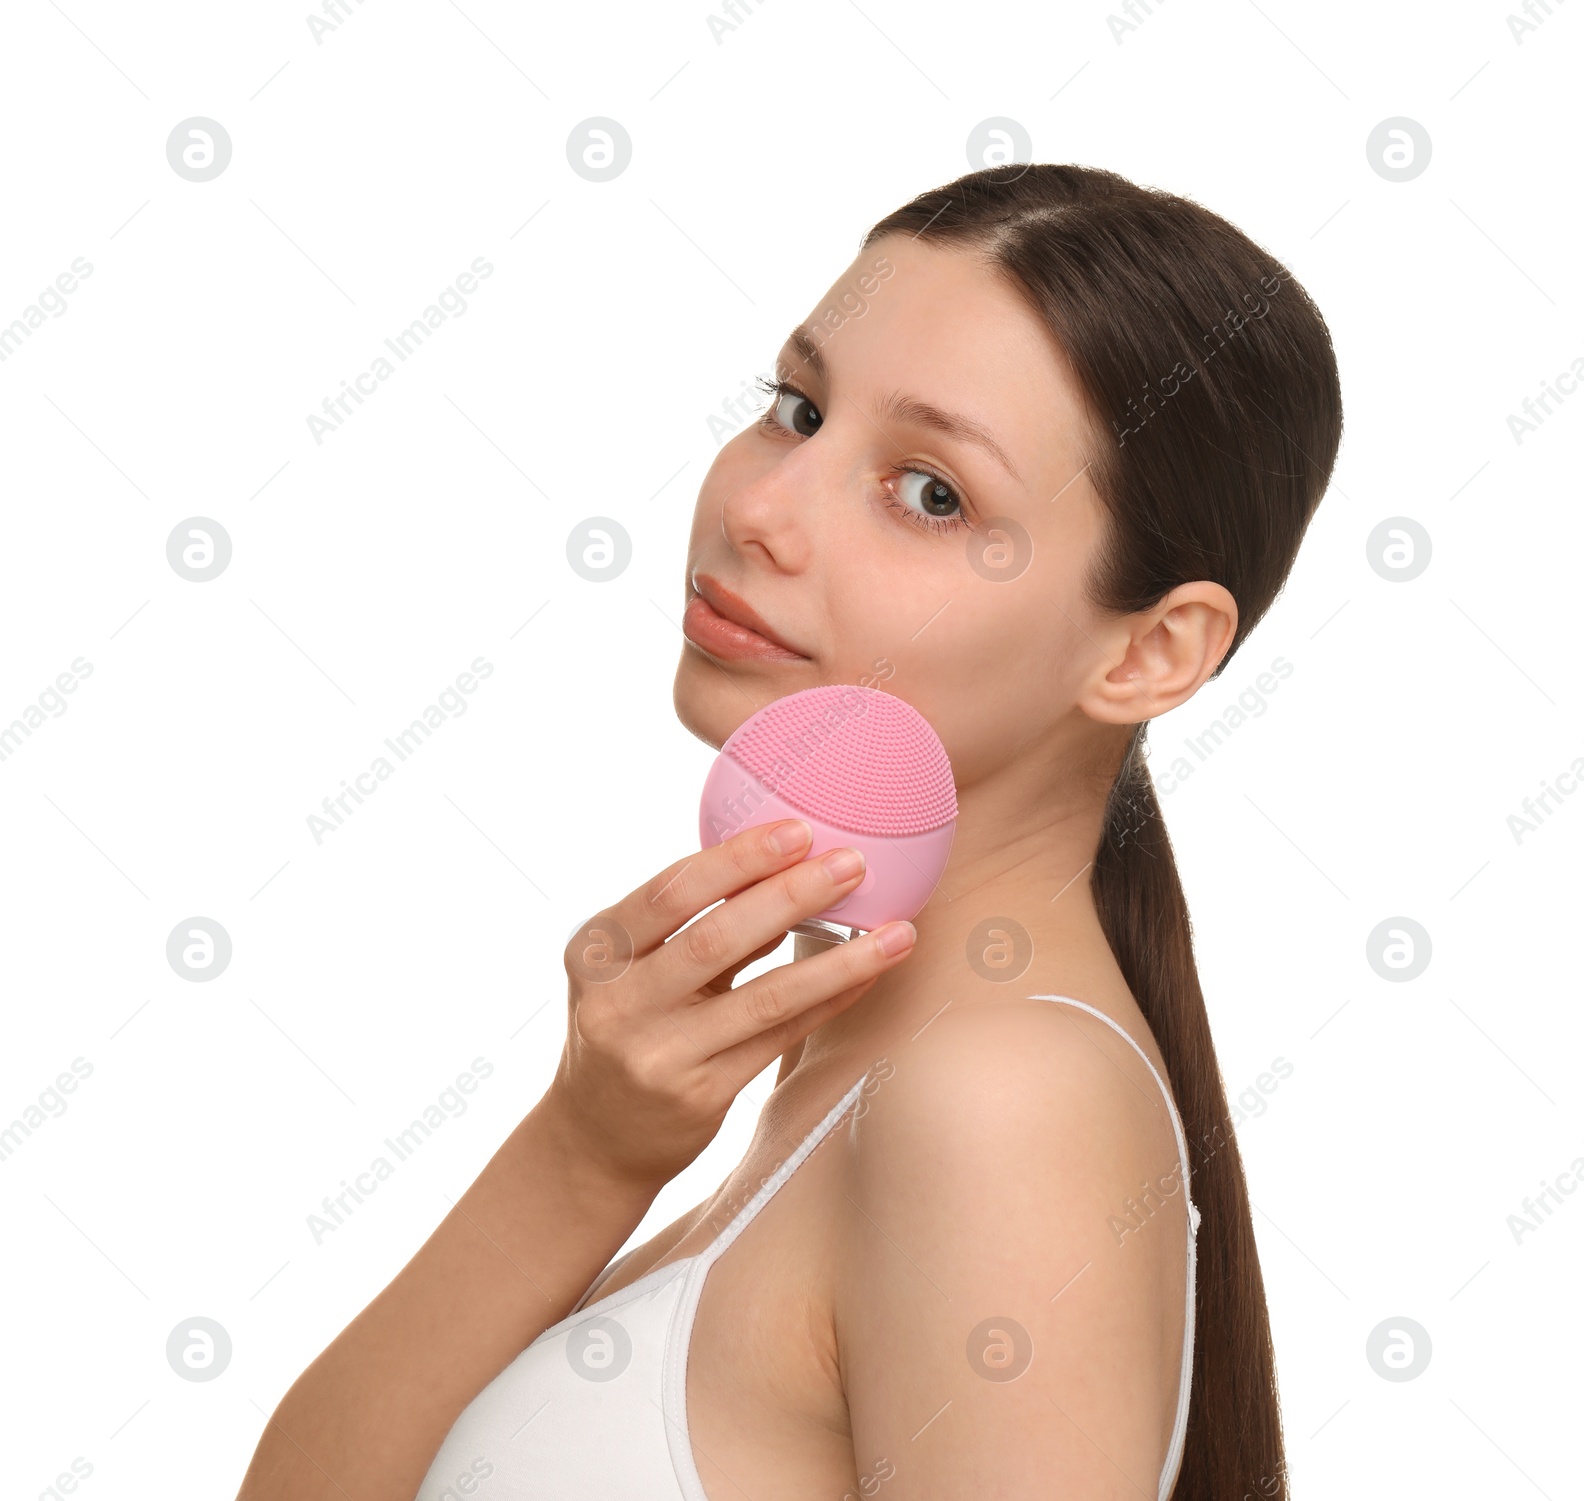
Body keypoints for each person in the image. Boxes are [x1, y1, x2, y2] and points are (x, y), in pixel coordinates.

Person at [237, 162, 1340, 1501]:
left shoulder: (1001, 1103)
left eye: (930, 492)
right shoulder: (859, 1075)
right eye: (798, 408)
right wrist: (584, 1151)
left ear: (1152, 651)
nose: (758, 509)